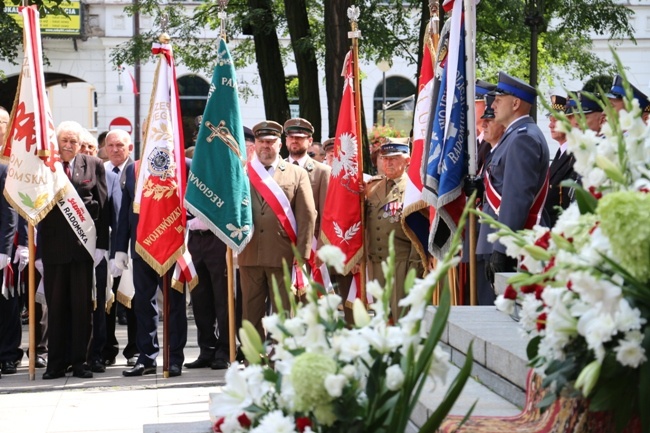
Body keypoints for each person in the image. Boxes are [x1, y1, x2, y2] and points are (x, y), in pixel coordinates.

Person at [40, 120, 109, 380]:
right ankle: (56, 363)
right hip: (54, 248)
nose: (69, 145)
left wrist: (102, 245)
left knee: (82, 308)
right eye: (64, 141)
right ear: (57, 143)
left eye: (74, 142)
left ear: (81, 145)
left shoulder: (93, 165)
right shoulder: (46, 166)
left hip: (84, 248)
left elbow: (104, 206)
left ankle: (81, 361)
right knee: (56, 307)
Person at [238, 120, 316, 339]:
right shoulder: (243, 172)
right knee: (250, 313)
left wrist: (301, 256)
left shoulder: (296, 173)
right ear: (255, 144)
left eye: (270, 142)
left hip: (283, 255)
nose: (265, 146)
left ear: (279, 145)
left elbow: (307, 215)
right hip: (249, 253)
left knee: (283, 313)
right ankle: (254, 362)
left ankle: (280, 361)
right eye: (261, 141)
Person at [477, 72, 549, 300]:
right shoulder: (513, 137)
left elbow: (516, 199)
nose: (493, 104)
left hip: (507, 247)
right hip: (496, 241)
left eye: (499, 100)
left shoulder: (523, 138)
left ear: (516, 103)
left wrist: (502, 249)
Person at [114, 160, 188, 377]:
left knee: (174, 305)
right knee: (143, 304)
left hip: (171, 245)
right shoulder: (134, 168)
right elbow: (126, 210)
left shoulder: (184, 165)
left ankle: (174, 358)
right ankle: (146, 357)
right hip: (142, 246)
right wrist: (120, 247)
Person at [365, 141, 422, 320]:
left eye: (394, 159)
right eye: (384, 159)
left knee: (401, 318)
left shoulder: (414, 189)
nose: (388, 163)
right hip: (376, 263)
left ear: (407, 160)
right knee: (381, 318)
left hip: (401, 263)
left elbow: (419, 229)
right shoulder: (373, 188)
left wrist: (415, 265)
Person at [102, 129, 138, 367]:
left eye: (120, 145)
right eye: (111, 145)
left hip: (132, 245)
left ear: (130, 148)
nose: (115, 150)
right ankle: (106, 349)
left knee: (133, 299)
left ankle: (134, 349)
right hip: (104, 246)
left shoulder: (138, 171)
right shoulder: (98, 170)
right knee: (107, 300)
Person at [0, 106, 19, 377]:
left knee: (6, 302)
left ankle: (7, 355)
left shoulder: (6, 166)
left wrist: (5, 251)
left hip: (4, 247)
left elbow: (9, 211)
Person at [544, 95, 578, 227]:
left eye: (556, 120)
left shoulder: (574, 155)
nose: (550, 125)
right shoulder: (561, 153)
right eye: (550, 119)